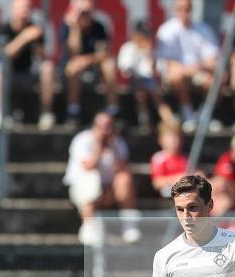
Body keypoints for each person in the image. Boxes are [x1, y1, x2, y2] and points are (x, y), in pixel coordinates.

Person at [63, 112, 140, 244]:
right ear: (94, 126)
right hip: (82, 191)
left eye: (109, 126)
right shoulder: (82, 140)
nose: (106, 131)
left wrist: (113, 148)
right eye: (102, 127)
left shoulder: (117, 142)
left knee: (124, 178)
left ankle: (129, 226)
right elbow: (88, 166)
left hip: (108, 192)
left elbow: (123, 168)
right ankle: (88, 225)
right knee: (91, 178)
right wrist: (99, 145)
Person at [0, 0, 55, 131]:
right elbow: (3, 56)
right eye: (22, 9)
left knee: (48, 68)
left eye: (28, 8)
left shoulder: (35, 28)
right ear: (13, 11)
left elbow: (42, 57)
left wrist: (36, 42)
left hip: (28, 73)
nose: (25, 12)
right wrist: (24, 37)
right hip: (8, 74)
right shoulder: (4, 28)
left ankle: (46, 114)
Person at [156, 0, 219, 132]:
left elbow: (213, 60)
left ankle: (204, 115)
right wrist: (192, 68)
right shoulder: (167, 31)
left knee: (219, 78)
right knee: (178, 76)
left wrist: (196, 68)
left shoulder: (203, 29)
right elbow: (167, 63)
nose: (184, 13)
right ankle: (188, 114)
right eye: (180, 9)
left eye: (187, 9)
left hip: (198, 72)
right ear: (175, 10)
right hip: (177, 73)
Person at [59, 0, 118, 124]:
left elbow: (104, 53)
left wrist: (87, 59)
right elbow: (73, 52)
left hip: (93, 67)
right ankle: (73, 111)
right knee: (74, 66)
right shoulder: (68, 26)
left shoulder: (99, 27)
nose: (85, 16)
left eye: (88, 12)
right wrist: (75, 28)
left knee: (110, 65)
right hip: (70, 70)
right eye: (82, 13)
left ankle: (113, 110)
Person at [117, 20, 174, 131]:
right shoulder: (128, 48)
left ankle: (170, 122)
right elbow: (126, 70)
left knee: (155, 93)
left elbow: (156, 71)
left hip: (151, 83)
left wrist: (149, 56)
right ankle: (144, 120)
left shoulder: (153, 51)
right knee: (141, 92)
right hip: (134, 81)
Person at [150, 123, 188, 199]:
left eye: (177, 138)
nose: (175, 142)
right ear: (161, 140)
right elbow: (157, 183)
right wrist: (178, 178)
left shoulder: (185, 158)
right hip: (170, 190)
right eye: (170, 138)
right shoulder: (158, 158)